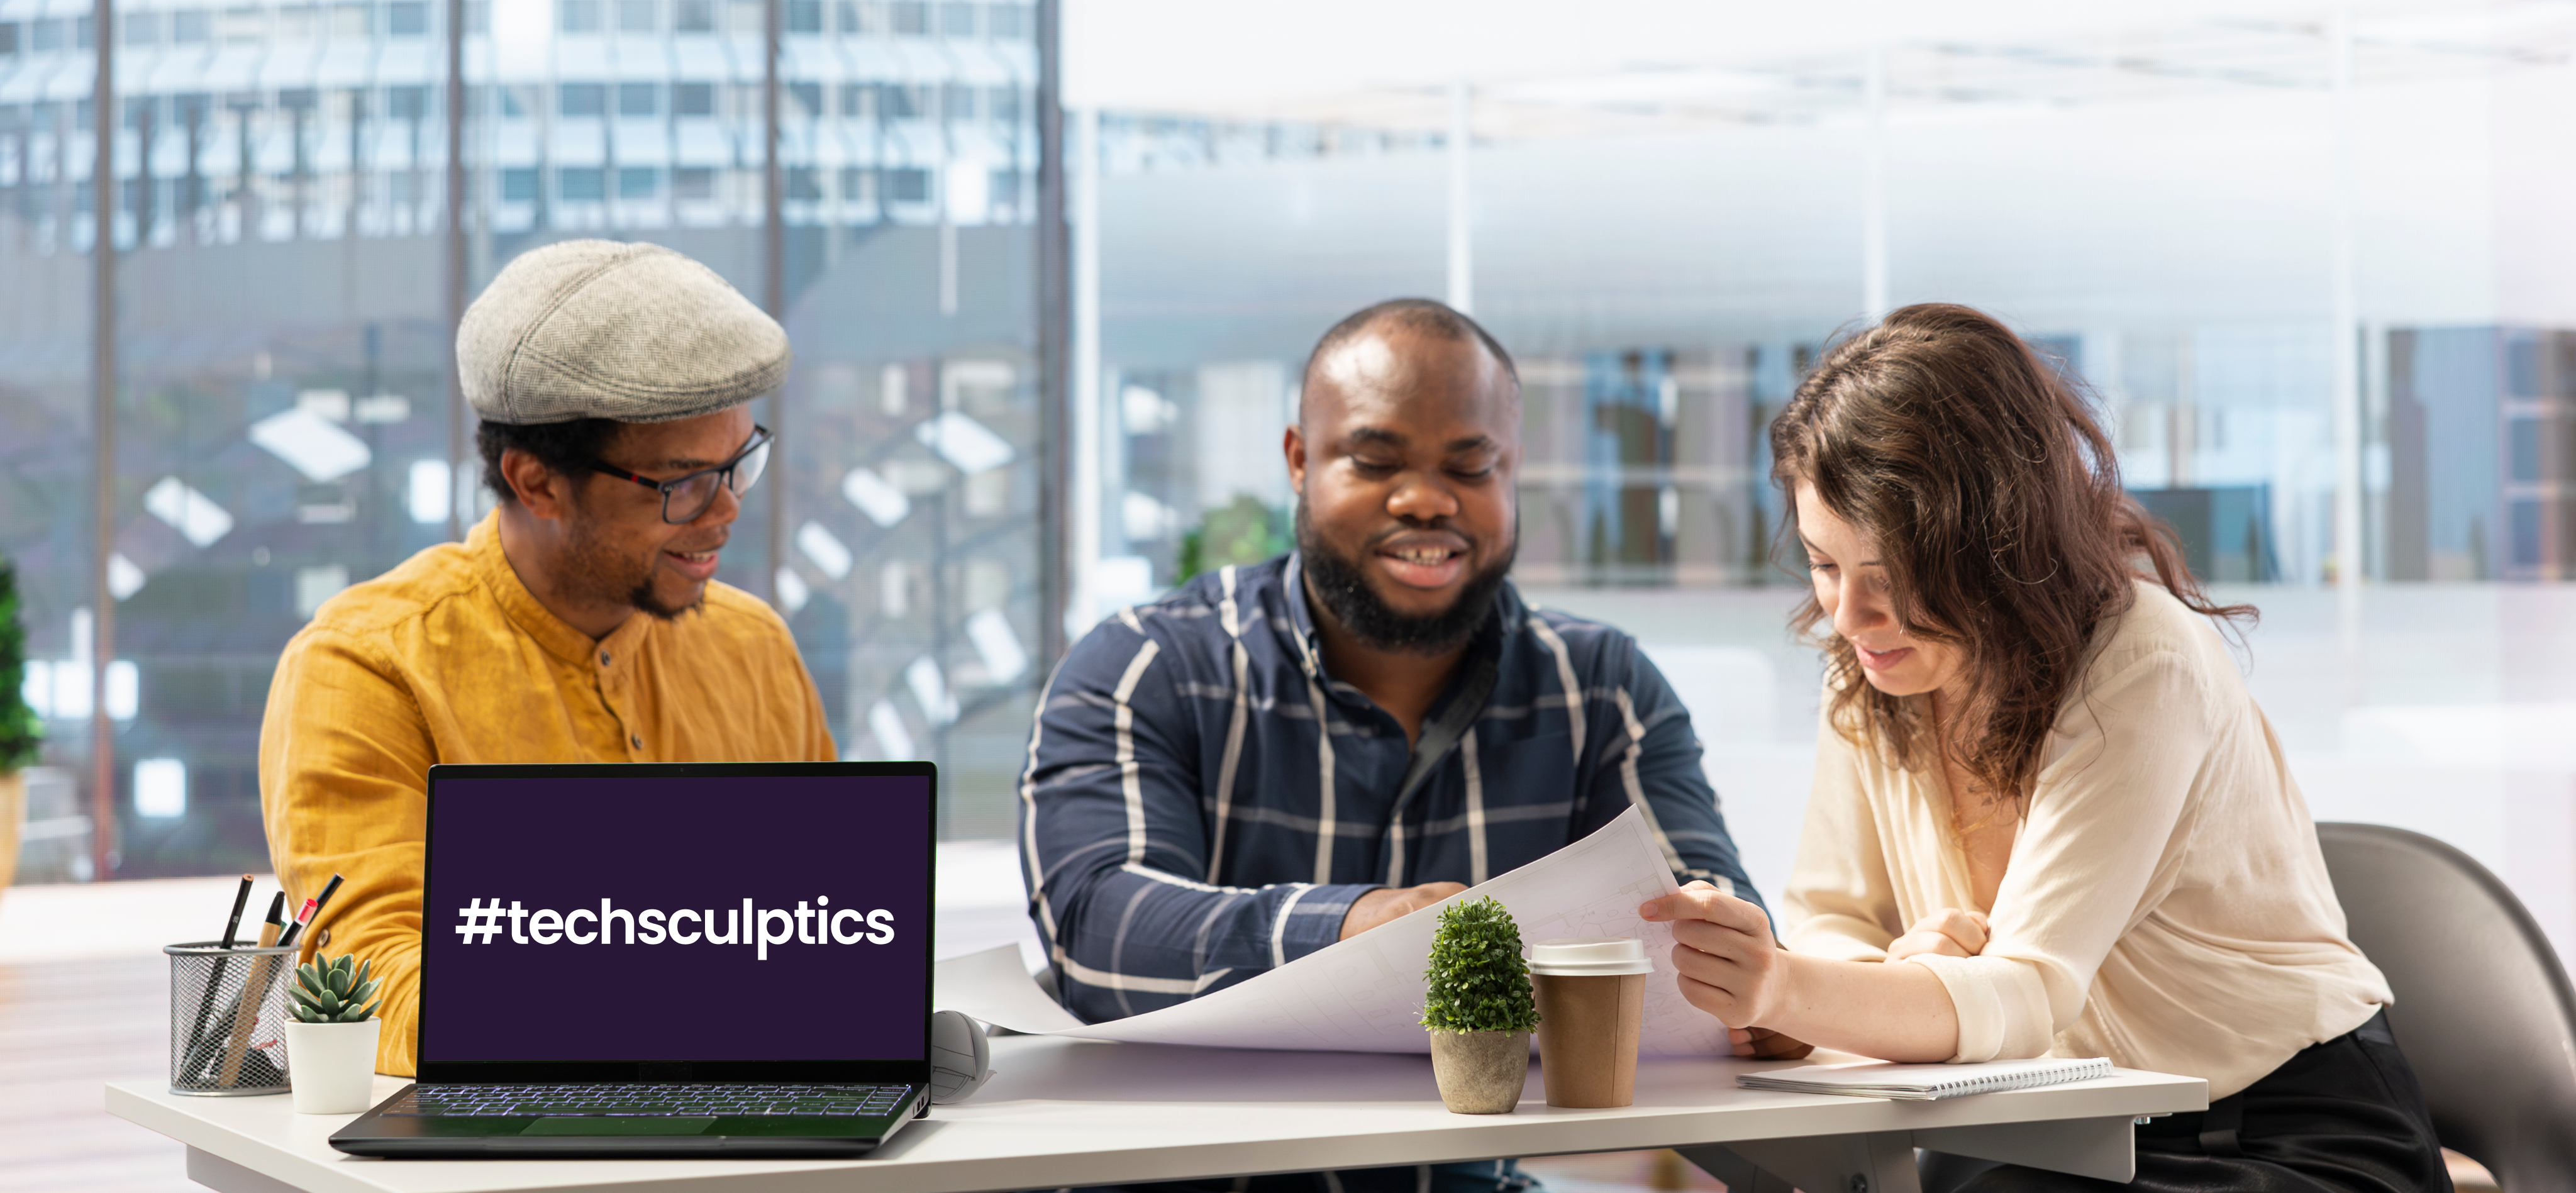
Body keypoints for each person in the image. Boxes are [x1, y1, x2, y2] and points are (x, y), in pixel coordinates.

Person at [1640, 304, 2449, 1193]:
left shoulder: (2142, 660)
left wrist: (1796, 991)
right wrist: (1887, 977)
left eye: (1890, 576)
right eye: (1825, 563)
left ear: (1993, 546)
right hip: (2049, 1126)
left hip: (2274, 1134)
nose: (1846, 615)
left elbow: (2024, 994)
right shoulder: (1875, 670)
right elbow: (1836, 917)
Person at [1021, 299, 1773, 1193]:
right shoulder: (1148, 665)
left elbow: (1711, 911)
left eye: (1471, 463)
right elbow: (1098, 934)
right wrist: (1351, 927)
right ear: (1300, 460)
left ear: (1513, 468)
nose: (1425, 498)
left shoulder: (1601, 686)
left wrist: (1748, 969)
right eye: (1375, 461)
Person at [258, 240, 835, 1075]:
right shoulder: (367, 666)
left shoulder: (754, 645)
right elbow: (372, 985)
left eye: (740, 463)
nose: (728, 509)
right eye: (683, 484)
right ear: (536, 483)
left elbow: (829, 934)